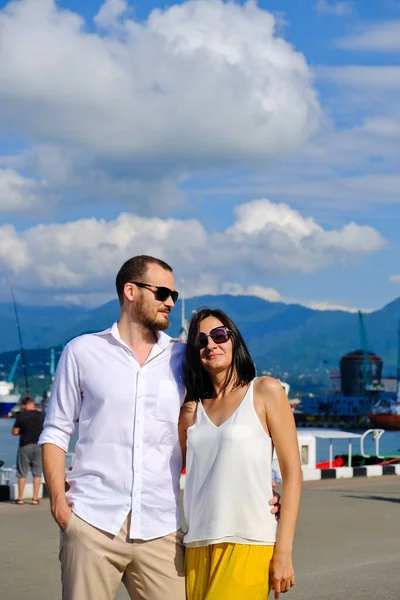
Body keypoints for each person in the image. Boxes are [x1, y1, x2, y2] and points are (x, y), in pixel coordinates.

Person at [39, 255, 280, 600]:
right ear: (131, 291)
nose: (170, 302)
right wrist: (59, 502)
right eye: (163, 292)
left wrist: (263, 486)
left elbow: (224, 420)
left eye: (174, 295)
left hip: (161, 528)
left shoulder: (184, 359)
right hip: (92, 521)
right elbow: (55, 431)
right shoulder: (81, 352)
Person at [179, 308, 302, 600]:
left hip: (249, 540)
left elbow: (293, 475)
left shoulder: (265, 392)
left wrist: (283, 552)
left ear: (235, 341)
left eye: (220, 335)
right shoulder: (190, 411)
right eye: (200, 340)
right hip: (196, 545)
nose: (211, 344)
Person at [12, 395, 45, 505]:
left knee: (22, 472)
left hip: (24, 446)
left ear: (24, 405)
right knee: (37, 473)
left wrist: (21, 431)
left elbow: (15, 432)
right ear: (32, 404)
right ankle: (35, 498)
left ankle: (20, 498)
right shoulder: (41, 415)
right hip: (39, 446)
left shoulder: (21, 415)